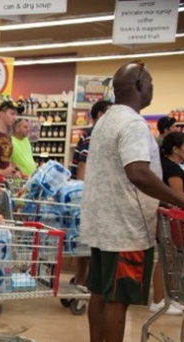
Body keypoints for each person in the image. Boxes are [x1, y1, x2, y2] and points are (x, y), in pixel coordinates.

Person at [79, 60, 184, 342]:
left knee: (100, 292)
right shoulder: (131, 124)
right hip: (125, 227)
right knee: (119, 299)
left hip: (104, 223)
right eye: (152, 81)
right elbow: (138, 173)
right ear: (141, 85)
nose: (154, 87)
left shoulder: (107, 120)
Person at [69, 99, 112, 291]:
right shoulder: (94, 135)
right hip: (88, 196)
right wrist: (83, 192)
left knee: (86, 242)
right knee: (86, 242)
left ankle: (82, 278)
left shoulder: (92, 135)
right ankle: (81, 279)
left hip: (90, 195)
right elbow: (83, 166)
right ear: (101, 115)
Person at [149, 131, 184, 314]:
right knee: (166, 258)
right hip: (170, 218)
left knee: (169, 257)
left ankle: (168, 299)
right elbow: (178, 197)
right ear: (175, 149)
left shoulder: (163, 166)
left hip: (165, 216)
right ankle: (158, 300)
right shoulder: (173, 169)